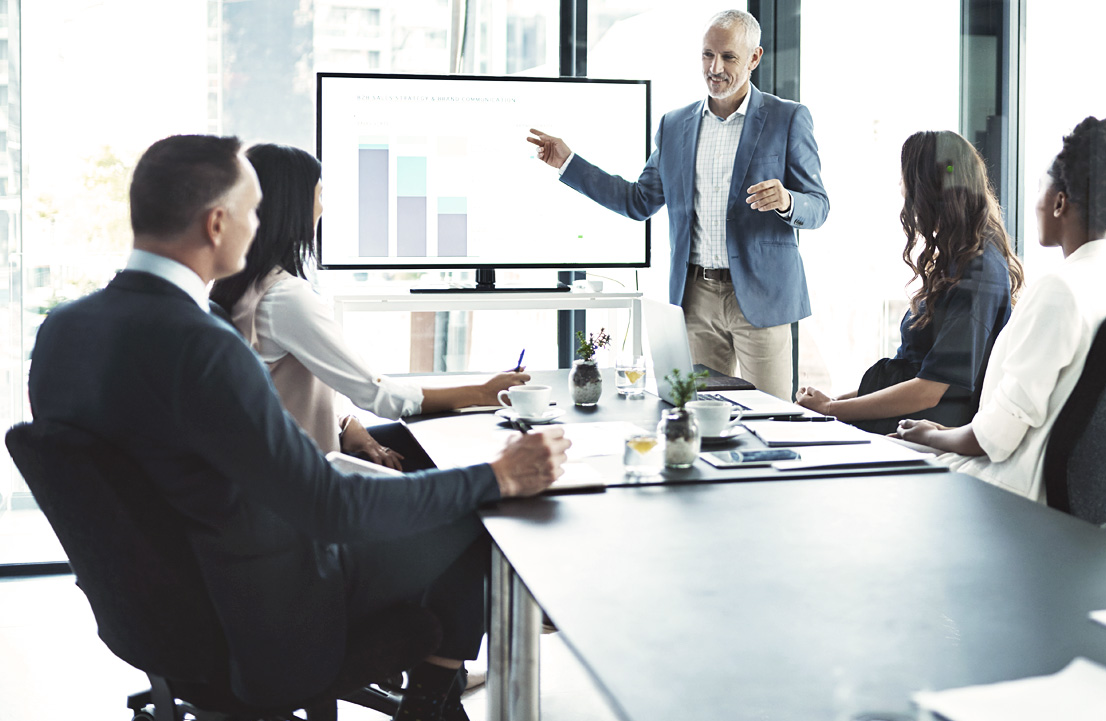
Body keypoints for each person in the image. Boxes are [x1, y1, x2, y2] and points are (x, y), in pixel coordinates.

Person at [28, 135, 570, 721]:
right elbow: (328, 509)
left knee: (421, 500)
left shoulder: (62, 332)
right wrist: (496, 476)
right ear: (217, 223)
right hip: (266, 615)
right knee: (470, 519)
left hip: (158, 613)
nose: (260, 228)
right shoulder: (205, 347)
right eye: (252, 213)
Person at [526, 8, 828, 399]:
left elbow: (818, 205)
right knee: (699, 415)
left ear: (754, 58)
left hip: (762, 297)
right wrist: (569, 162)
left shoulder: (788, 119)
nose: (715, 67)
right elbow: (638, 201)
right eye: (707, 54)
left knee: (769, 416)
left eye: (729, 57)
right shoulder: (674, 125)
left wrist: (787, 200)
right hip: (695, 299)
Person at [210, 143, 528, 472]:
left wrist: (346, 423)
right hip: (308, 478)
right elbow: (378, 396)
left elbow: (278, 394)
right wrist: (482, 392)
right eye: (319, 197)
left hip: (279, 462)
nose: (322, 209)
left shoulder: (241, 286)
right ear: (294, 207)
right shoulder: (286, 298)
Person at [896, 116, 1106, 502]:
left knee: (866, 462)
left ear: (1059, 202)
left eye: (1040, 187)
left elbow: (995, 439)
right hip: (1044, 489)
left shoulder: (1060, 291)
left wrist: (932, 436)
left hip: (1006, 490)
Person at [793, 131, 1021, 435]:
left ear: (928, 191)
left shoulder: (978, 271)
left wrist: (832, 410)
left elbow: (929, 390)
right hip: (912, 417)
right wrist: (832, 403)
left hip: (926, 426)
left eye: (907, 183)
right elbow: (912, 376)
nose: (902, 190)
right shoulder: (958, 259)